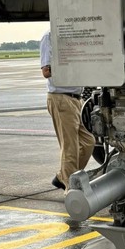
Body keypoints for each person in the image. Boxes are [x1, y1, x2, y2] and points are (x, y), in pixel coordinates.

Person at [39, 30, 95, 190]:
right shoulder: (49, 36)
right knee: (70, 148)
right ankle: (71, 190)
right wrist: (71, 63)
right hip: (61, 98)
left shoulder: (74, 35)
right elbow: (46, 71)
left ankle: (63, 176)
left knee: (88, 142)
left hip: (77, 98)